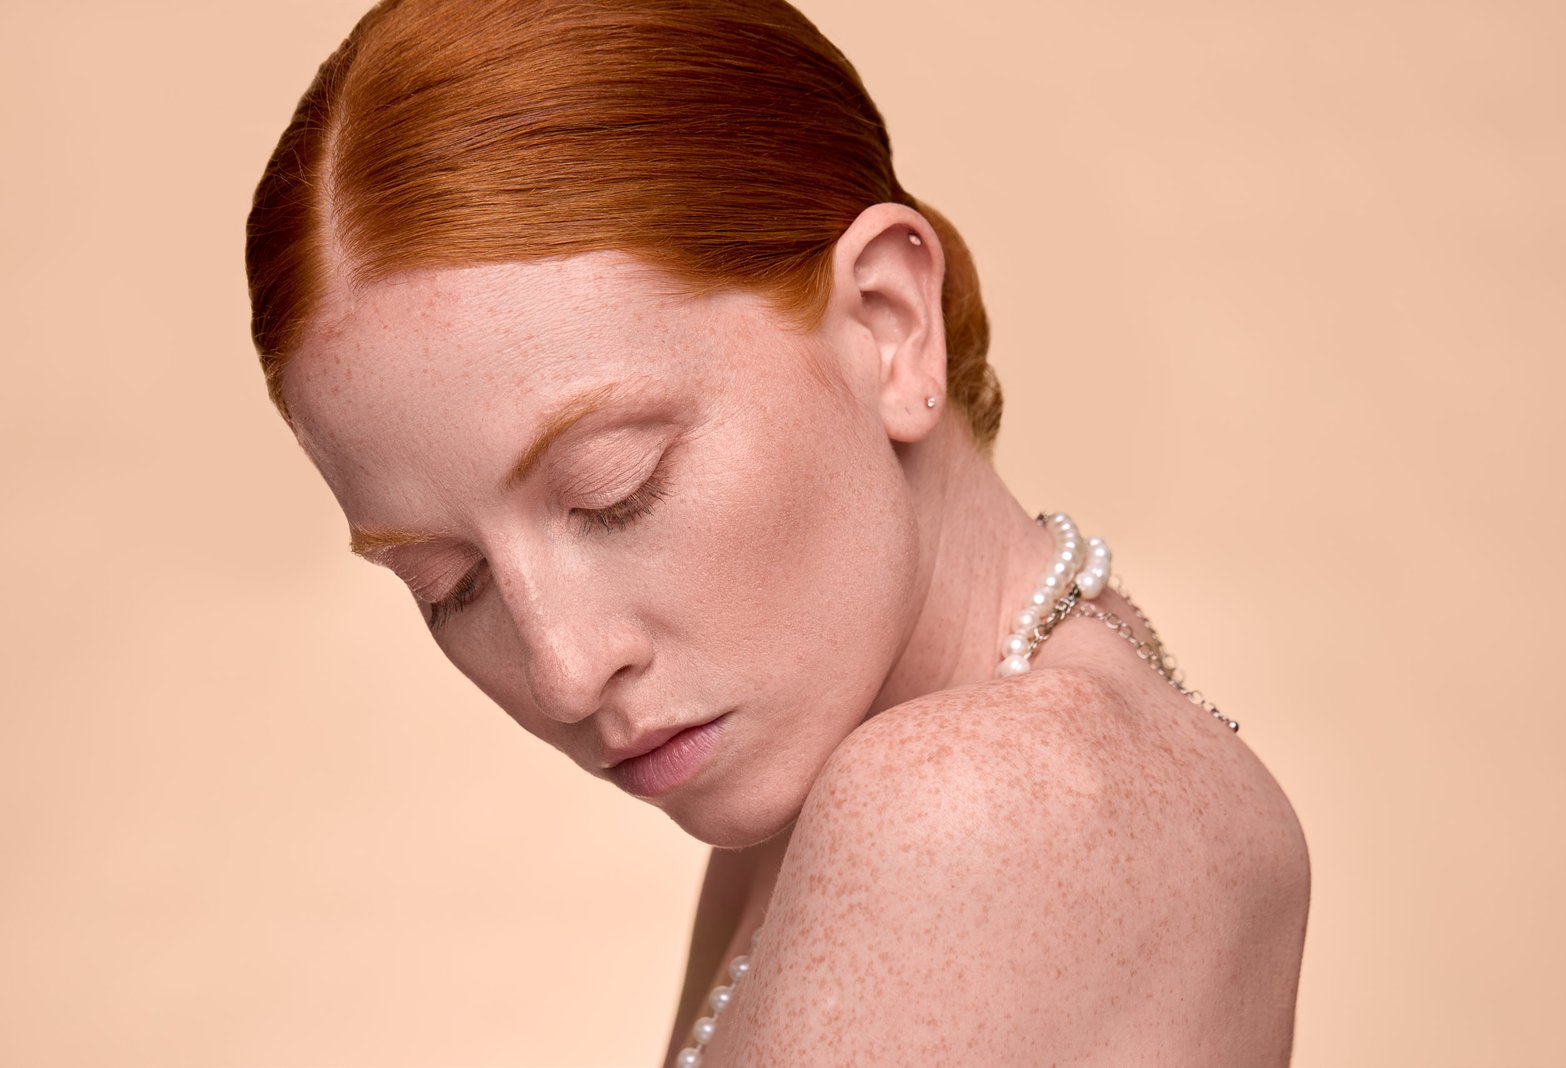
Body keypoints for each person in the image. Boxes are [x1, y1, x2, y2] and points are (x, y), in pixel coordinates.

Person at [245, 0, 1311, 1062]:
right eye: (451, 585)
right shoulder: (836, 769)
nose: (563, 673)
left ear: (890, 323)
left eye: (616, 489)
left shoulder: (964, 804)